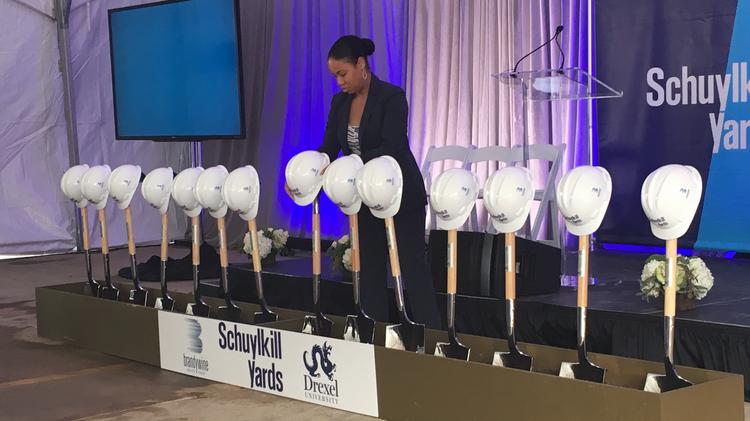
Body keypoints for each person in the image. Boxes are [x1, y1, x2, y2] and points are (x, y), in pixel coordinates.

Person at [315, 35, 440, 329]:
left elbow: (391, 146)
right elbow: (329, 147)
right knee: (369, 268)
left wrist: (350, 168)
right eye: (335, 76)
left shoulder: (391, 96)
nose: (339, 82)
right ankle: (375, 334)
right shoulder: (339, 103)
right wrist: (309, 171)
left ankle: (430, 335)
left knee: (412, 268)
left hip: (400, 194)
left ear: (361, 65)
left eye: (342, 74)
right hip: (363, 196)